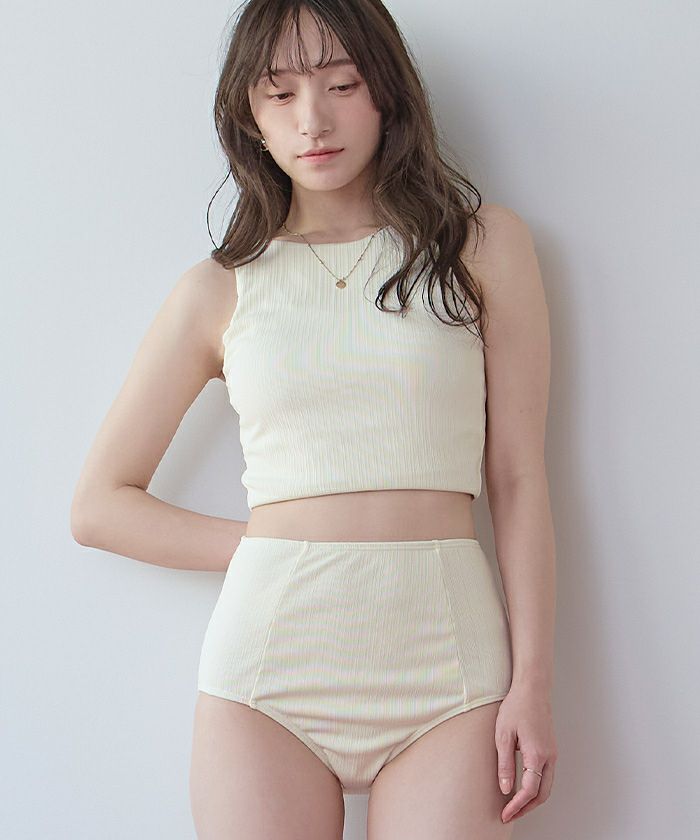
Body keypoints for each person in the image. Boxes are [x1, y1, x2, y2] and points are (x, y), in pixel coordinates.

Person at [71, 1, 558, 837]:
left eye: (342, 84)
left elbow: (517, 476)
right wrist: (276, 550)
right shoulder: (218, 289)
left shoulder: (481, 248)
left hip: (449, 664)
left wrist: (535, 682)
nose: (313, 121)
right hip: (269, 670)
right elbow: (98, 506)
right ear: (248, 116)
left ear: (387, 93)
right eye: (280, 93)